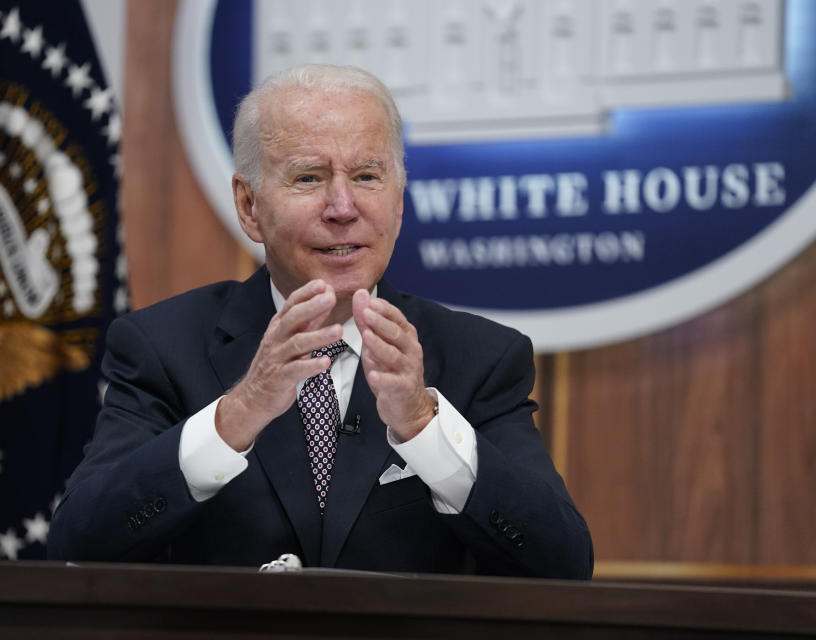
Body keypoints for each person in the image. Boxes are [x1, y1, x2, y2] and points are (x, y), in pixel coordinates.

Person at [48, 64, 593, 578]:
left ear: (399, 202)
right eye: (308, 178)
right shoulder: (161, 347)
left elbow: (563, 563)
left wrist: (426, 430)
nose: (342, 206)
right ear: (249, 206)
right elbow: (78, 545)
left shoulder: (480, 358)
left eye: (366, 176)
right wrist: (237, 415)